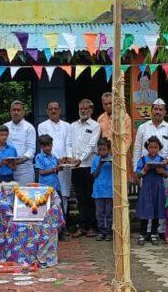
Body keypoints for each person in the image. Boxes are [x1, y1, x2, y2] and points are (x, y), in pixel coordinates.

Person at [68, 99, 102, 237]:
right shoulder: (73, 125)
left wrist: (80, 159)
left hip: (89, 166)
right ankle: (82, 226)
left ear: (91, 110)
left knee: (90, 197)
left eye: (86, 108)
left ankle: (93, 226)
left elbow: (91, 145)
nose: (83, 111)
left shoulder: (96, 126)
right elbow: (69, 144)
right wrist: (70, 158)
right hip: (75, 167)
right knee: (80, 198)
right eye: (81, 108)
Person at [38, 101, 73, 224]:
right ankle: (49, 222)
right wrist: (57, 159)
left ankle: (64, 222)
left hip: (65, 165)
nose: (53, 111)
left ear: (60, 110)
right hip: (51, 163)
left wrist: (68, 158)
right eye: (51, 109)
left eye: (56, 108)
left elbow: (69, 143)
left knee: (64, 193)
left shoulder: (67, 126)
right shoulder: (42, 126)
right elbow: (46, 144)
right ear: (47, 111)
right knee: (50, 195)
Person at [135, 136, 168, 246]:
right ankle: (142, 234)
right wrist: (145, 169)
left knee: (156, 210)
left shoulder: (162, 160)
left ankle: (154, 233)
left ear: (159, 148)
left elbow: (166, 174)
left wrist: (161, 171)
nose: (153, 150)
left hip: (158, 189)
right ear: (147, 148)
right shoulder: (143, 160)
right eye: (151, 147)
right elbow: (138, 174)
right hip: (146, 189)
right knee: (145, 210)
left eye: (155, 147)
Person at [97, 92, 132, 179]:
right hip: (105, 157)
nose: (108, 106)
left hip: (121, 156)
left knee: (122, 182)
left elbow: (128, 138)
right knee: (107, 180)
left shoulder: (124, 117)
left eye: (110, 103)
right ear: (102, 105)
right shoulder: (100, 119)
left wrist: (121, 155)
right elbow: (98, 139)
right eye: (105, 104)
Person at [34, 135, 64, 237]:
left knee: (59, 209)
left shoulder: (54, 156)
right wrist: (55, 169)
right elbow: (41, 172)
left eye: (49, 145)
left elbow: (57, 169)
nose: (48, 148)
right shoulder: (39, 157)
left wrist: (61, 166)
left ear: (52, 145)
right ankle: (46, 233)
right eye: (45, 146)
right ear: (41, 147)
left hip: (56, 187)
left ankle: (61, 232)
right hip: (45, 189)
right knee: (46, 210)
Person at [4, 100, 36, 184]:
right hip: (7, 167)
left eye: (18, 110)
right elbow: (1, 145)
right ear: (10, 112)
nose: (16, 112)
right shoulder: (5, 126)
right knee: (7, 192)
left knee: (25, 192)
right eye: (14, 110)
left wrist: (21, 160)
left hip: (24, 169)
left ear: (23, 112)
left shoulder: (29, 128)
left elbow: (31, 149)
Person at [90, 138, 113, 241]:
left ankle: (109, 232)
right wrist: (100, 164)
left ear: (109, 150)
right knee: (99, 213)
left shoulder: (112, 159)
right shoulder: (95, 160)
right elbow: (94, 175)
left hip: (109, 191)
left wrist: (111, 163)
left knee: (109, 213)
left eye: (104, 149)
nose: (102, 152)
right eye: (100, 149)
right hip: (98, 191)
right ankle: (101, 231)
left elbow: (117, 173)